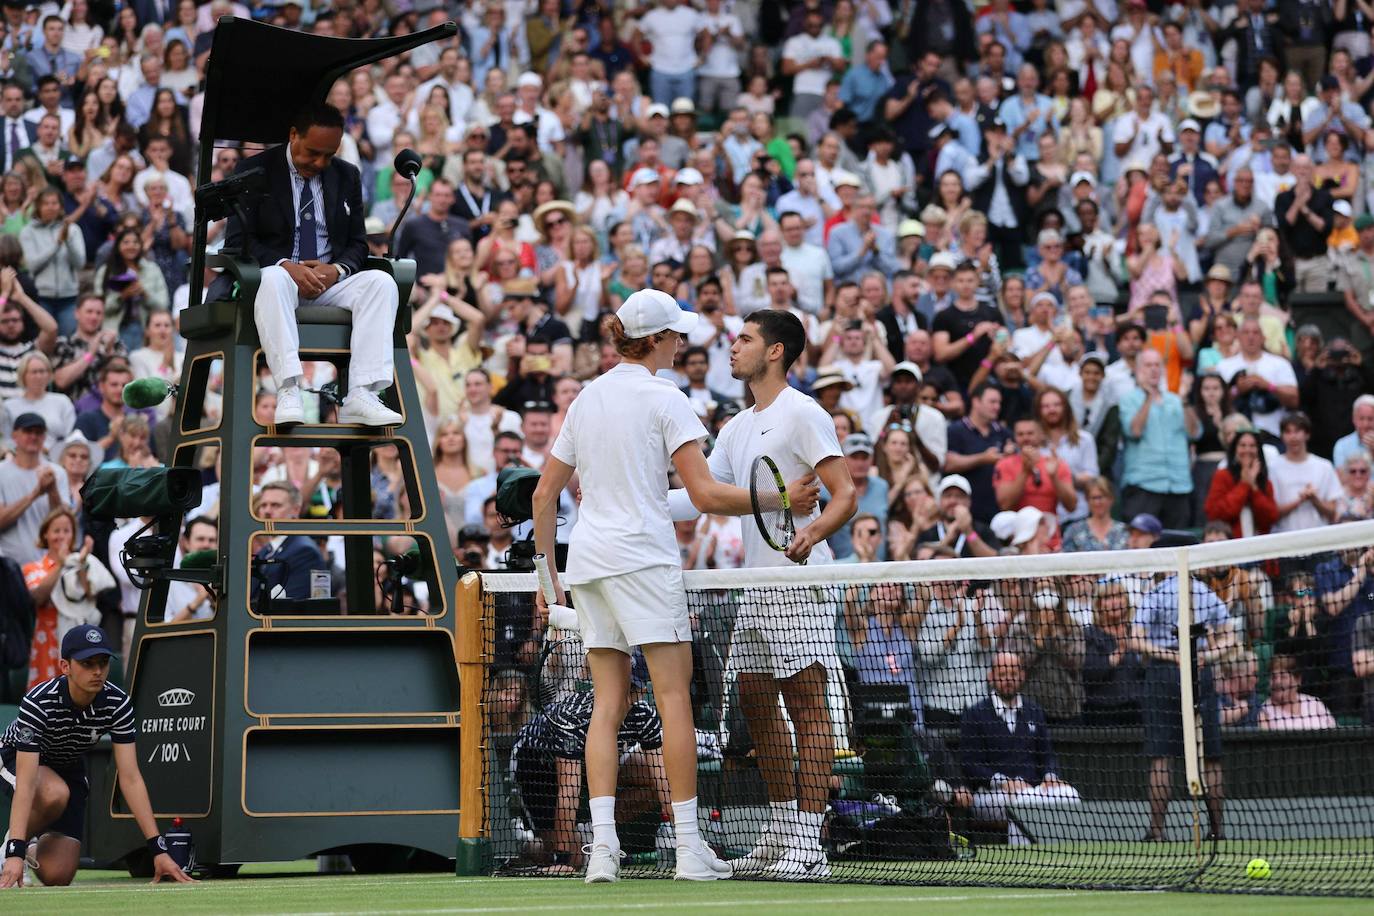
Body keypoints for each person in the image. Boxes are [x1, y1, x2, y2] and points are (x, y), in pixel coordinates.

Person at [530, 289, 814, 884]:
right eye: (676, 335)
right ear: (657, 340)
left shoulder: (587, 396)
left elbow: (542, 495)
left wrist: (546, 582)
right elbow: (708, 496)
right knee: (673, 700)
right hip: (642, 561)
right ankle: (688, 848)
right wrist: (780, 496)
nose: (683, 344)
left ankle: (601, 850)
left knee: (605, 705)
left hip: (588, 564)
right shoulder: (668, 399)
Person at [687, 309, 856, 880]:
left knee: (808, 707)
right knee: (758, 705)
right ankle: (782, 828)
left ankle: (810, 842)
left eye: (745, 339)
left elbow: (844, 494)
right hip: (756, 587)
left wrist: (812, 531)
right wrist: (623, 500)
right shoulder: (736, 427)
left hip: (802, 583)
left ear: (776, 351)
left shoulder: (804, 413)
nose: (732, 348)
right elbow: (702, 497)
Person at [222, 103, 401, 428]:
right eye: (312, 153)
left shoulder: (346, 175)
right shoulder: (254, 171)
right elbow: (236, 242)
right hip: (276, 282)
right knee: (274, 278)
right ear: (293, 136)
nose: (319, 163)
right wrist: (287, 266)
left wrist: (338, 270)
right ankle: (289, 388)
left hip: (328, 282)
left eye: (328, 155)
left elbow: (358, 243)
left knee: (382, 283)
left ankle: (362, 393)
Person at [0, 624, 193, 887]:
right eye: (87, 663)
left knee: (58, 875)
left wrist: (158, 850)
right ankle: (9, 852)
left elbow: (130, 778)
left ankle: (29, 848)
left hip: (67, 765)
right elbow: (26, 783)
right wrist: (14, 850)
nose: (98, 671)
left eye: (102, 662)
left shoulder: (118, 703)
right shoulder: (38, 702)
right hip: (17, 758)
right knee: (54, 792)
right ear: (65, 666)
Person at [1134, 572, 1233, 842]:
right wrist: (1206, 655)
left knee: (1162, 755)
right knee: (1210, 756)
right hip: (1198, 670)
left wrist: (1173, 656)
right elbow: (1230, 636)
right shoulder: (1205, 592)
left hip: (1167, 672)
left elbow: (1136, 638)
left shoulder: (1155, 593)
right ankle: (1217, 831)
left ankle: (1156, 831)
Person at [958, 652, 1080, 846]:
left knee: (1069, 794)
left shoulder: (1034, 711)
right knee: (1023, 802)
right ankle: (1023, 858)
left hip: (1034, 790)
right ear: (991, 676)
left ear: (1022, 676)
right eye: (1003, 673)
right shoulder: (975, 714)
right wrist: (1003, 782)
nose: (1008, 679)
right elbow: (970, 763)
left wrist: (1050, 777)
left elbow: (1047, 754)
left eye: (1013, 673)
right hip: (990, 796)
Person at [1118, 349, 1197, 529]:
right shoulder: (1128, 399)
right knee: (1142, 549)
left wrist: (1185, 400)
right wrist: (1148, 398)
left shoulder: (1176, 400)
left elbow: (1194, 433)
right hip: (1144, 484)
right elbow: (1135, 431)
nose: (1153, 370)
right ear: (1138, 370)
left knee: (1178, 547)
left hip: (1178, 484)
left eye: (1157, 365)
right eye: (1148, 365)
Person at [0, 412, 69, 566]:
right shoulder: (1, 472)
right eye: (28, 431)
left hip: (49, 564)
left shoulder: (57, 472)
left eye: (38, 432)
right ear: (14, 436)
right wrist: (35, 494)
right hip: (10, 566)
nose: (33, 436)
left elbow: (64, 520)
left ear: (44, 438)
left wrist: (52, 490)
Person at [251, 481, 326, 610]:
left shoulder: (305, 552)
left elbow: (291, 606)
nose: (267, 511)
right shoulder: (266, 550)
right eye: (263, 505)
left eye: (275, 505)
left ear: (295, 510)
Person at [1269, 412, 1341, 532]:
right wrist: (1300, 500)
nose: (1293, 437)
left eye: (1297, 431)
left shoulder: (1324, 466)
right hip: (1283, 541)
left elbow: (1333, 511)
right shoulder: (1272, 467)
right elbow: (1272, 513)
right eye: (1288, 431)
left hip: (1320, 540)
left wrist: (1314, 499)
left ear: (1307, 434)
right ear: (1282, 436)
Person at [1204, 429, 1278, 538]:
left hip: (1259, 547)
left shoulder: (1265, 482)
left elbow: (1270, 518)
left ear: (1258, 451)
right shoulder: (1222, 476)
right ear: (1235, 449)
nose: (1247, 450)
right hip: (1231, 545)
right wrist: (1244, 485)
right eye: (1242, 445)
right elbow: (1215, 514)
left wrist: (1254, 487)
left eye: (1252, 446)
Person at [1257, 644, 1338, 731]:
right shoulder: (1264, 712)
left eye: (1283, 677)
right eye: (1273, 677)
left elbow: (1336, 732)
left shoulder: (1314, 703)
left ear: (1298, 680)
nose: (1277, 682)